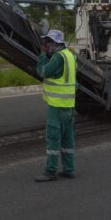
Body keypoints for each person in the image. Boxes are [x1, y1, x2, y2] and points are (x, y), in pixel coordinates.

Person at [34, 30, 77, 182]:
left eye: (47, 44)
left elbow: (43, 71)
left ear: (55, 44)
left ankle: (51, 171)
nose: (45, 46)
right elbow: (74, 83)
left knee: (53, 139)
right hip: (69, 107)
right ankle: (69, 169)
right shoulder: (70, 56)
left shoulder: (58, 57)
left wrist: (42, 56)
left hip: (57, 107)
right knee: (67, 140)